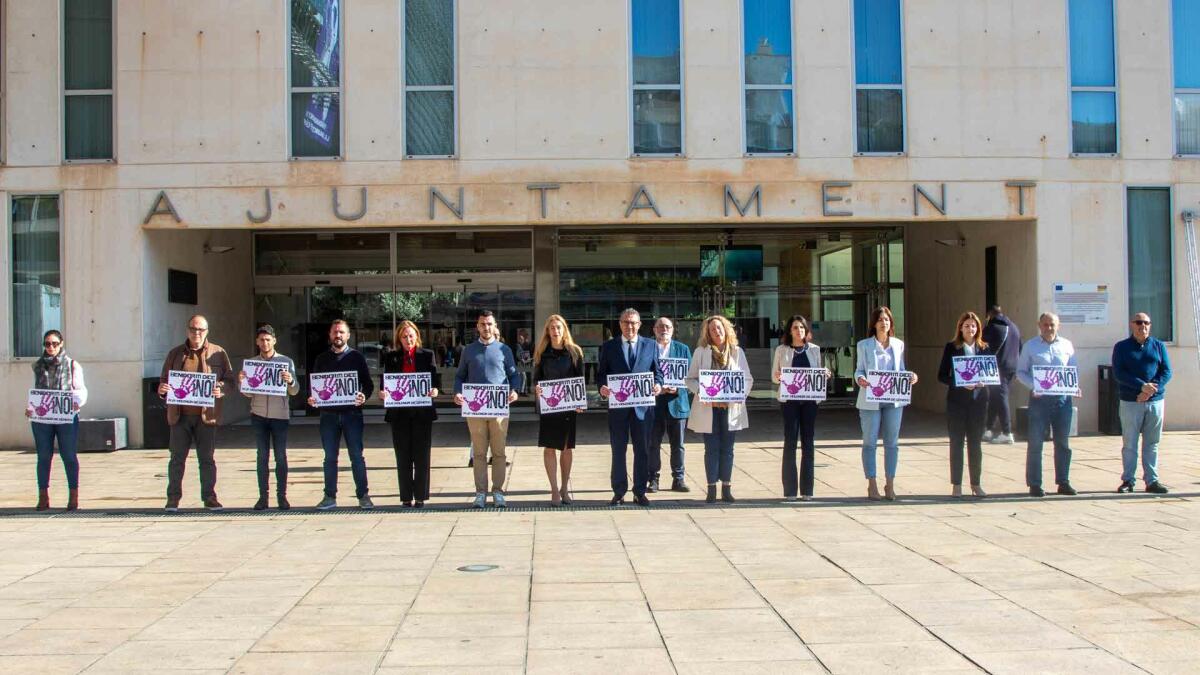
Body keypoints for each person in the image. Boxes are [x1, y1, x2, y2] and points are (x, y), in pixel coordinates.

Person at [158, 315, 236, 512]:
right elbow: (164, 380)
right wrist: (162, 389)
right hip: (179, 416)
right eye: (193, 329)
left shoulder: (218, 353)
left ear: (207, 331)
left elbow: (230, 380)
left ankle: (209, 497)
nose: (197, 333)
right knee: (176, 459)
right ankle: (173, 499)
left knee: (207, 459)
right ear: (187, 330)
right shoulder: (175, 354)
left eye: (201, 330)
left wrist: (222, 388)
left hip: (206, 416)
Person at [454, 309, 522, 508]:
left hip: (499, 408)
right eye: (483, 324)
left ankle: (498, 491)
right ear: (477, 326)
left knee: (499, 452)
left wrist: (515, 390)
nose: (486, 327)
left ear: (495, 326)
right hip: (475, 410)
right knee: (480, 453)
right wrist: (458, 392)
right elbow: (460, 376)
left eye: (490, 324)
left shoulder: (504, 350)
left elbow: (513, 375)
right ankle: (480, 492)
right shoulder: (469, 350)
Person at [597, 308, 663, 507]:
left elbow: (657, 372)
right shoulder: (609, 347)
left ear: (640, 325)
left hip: (643, 410)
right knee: (618, 450)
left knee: (642, 451)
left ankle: (640, 491)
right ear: (620, 324)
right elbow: (601, 373)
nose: (630, 326)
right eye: (626, 322)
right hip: (618, 409)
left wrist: (658, 384)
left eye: (633, 322)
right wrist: (602, 387)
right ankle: (619, 492)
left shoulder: (651, 345)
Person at [686, 315, 754, 504]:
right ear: (707, 333)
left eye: (719, 327)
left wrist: (739, 395)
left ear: (726, 329)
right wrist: (702, 391)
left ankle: (726, 487)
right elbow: (690, 379)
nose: (716, 331)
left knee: (728, 449)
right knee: (711, 449)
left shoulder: (737, 352)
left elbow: (747, 379)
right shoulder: (701, 352)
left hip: (730, 408)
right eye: (712, 329)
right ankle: (711, 489)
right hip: (709, 408)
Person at [308, 319, 374, 510]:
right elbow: (314, 387)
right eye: (335, 332)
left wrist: (364, 396)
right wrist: (312, 398)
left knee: (356, 456)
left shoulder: (357, 357)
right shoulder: (321, 359)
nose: (338, 335)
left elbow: (368, 384)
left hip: (352, 414)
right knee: (329, 457)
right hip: (328, 415)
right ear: (330, 335)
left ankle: (363, 496)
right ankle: (329, 497)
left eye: (342, 332)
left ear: (348, 335)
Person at [854, 306, 918, 501]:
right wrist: (860, 380)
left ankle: (890, 484)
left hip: (893, 400)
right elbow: (859, 371)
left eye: (887, 319)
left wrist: (911, 377)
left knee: (892, 443)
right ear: (874, 323)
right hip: (870, 400)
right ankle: (872, 484)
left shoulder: (898, 345)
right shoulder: (864, 345)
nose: (884, 323)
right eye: (881, 319)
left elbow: (902, 370)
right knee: (870, 442)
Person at [1016, 312, 1078, 497]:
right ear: (1039, 325)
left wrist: (1074, 387)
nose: (1048, 328)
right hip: (1039, 400)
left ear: (1057, 326)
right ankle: (1035, 484)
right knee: (1035, 443)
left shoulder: (1067, 345)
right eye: (1045, 325)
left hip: (1062, 400)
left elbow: (1072, 370)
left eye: (1052, 325)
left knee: (1063, 443)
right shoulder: (1030, 346)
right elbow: (1021, 372)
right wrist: (1034, 385)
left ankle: (1063, 482)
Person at [380, 321, 440, 508]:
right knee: (403, 455)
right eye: (404, 337)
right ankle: (406, 496)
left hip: (422, 413)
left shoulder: (427, 355)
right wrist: (383, 393)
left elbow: (434, 380)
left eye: (411, 336)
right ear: (399, 338)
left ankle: (421, 496)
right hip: (399, 414)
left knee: (422, 455)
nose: (408, 340)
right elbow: (385, 382)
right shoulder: (391, 357)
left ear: (417, 337)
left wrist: (435, 391)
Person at [238, 324, 299, 511]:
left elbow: (295, 390)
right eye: (261, 340)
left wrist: (290, 380)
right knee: (262, 456)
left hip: (279, 416)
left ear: (274, 341)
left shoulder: (286, 362)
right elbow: (248, 394)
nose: (265, 343)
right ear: (257, 342)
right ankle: (263, 497)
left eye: (268, 339)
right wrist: (243, 383)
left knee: (280, 456)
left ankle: (282, 496)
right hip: (258, 415)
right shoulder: (251, 363)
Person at [26, 330, 87, 511]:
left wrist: (76, 402)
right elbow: (36, 391)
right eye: (47, 344)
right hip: (43, 418)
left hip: (66, 416)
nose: (50, 347)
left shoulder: (72, 365)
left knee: (68, 455)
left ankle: (73, 496)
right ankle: (43, 496)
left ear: (61, 344)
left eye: (54, 343)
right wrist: (31, 408)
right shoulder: (37, 365)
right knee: (43, 456)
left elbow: (81, 390)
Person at [1112, 312, 1172, 494]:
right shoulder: (1122, 347)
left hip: (1155, 402)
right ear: (1132, 324)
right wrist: (1141, 387)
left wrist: (1151, 390)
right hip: (1131, 401)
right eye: (1138, 322)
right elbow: (1119, 373)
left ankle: (1152, 481)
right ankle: (1128, 481)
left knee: (1152, 443)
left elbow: (1166, 371)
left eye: (1146, 323)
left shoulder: (1158, 346)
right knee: (1130, 443)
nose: (1142, 326)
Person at [532, 315, 585, 506]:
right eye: (552, 328)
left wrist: (580, 402)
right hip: (550, 407)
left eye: (559, 327)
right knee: (549, 447)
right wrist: (537, 389)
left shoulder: (575, 352)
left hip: (569, 407)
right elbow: (536, 380)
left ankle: (564, 488)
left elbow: (580, 380)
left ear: (564, 330)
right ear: (548, 331)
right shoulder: (541, 353)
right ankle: (554, 489)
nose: (555, 331)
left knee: (566, 448)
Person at [771, 315, 826, 502]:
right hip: (790, 402)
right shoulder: (781, 350)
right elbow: (773, 376)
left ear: (806, 331)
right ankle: (790, 490)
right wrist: (778, 376)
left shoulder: (815, 350)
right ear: (789, 331)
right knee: (790, 442)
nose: (799, 331)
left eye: (802, 327)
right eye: (795, 327)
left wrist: (825, 373)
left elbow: (819, 372)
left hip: (810, 402)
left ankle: (807, 490)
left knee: (808, 443)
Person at [936, 312, 990, 499]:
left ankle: (976, 483)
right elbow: (942, 375)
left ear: (978, 329)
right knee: (956, 444)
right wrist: (958, 382)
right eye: (966, 325)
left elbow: (991, 371)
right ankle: (956, 485)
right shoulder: (952, 348)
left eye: (973, 326)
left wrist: (985, 381)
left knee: (975, 444)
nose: (970, 329)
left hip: (978, 402)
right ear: (960, 328)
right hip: (957, 403)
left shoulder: (984, 348)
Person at [648, 316, 691, 493]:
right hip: (654, 404)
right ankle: (653, 479)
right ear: (654, 329)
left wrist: (679, 388)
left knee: (678, 444)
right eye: (660, 326)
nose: (664, 329)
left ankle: (678, 479)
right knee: (653, 443)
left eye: (667, 326)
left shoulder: (683, 349)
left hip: (677, 403)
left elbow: (691, 377)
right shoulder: (647, 347)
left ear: (673, 330)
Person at [982, 305, 1021, 444]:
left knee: (1001, 398)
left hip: (997, 369)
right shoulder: (1014, 328)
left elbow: (982, 347)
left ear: (990, 315)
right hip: (1012, 368)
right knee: (995, 398)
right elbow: (1019, 348)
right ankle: (988, 429)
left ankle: (1007, 432)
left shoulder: (992, 328)